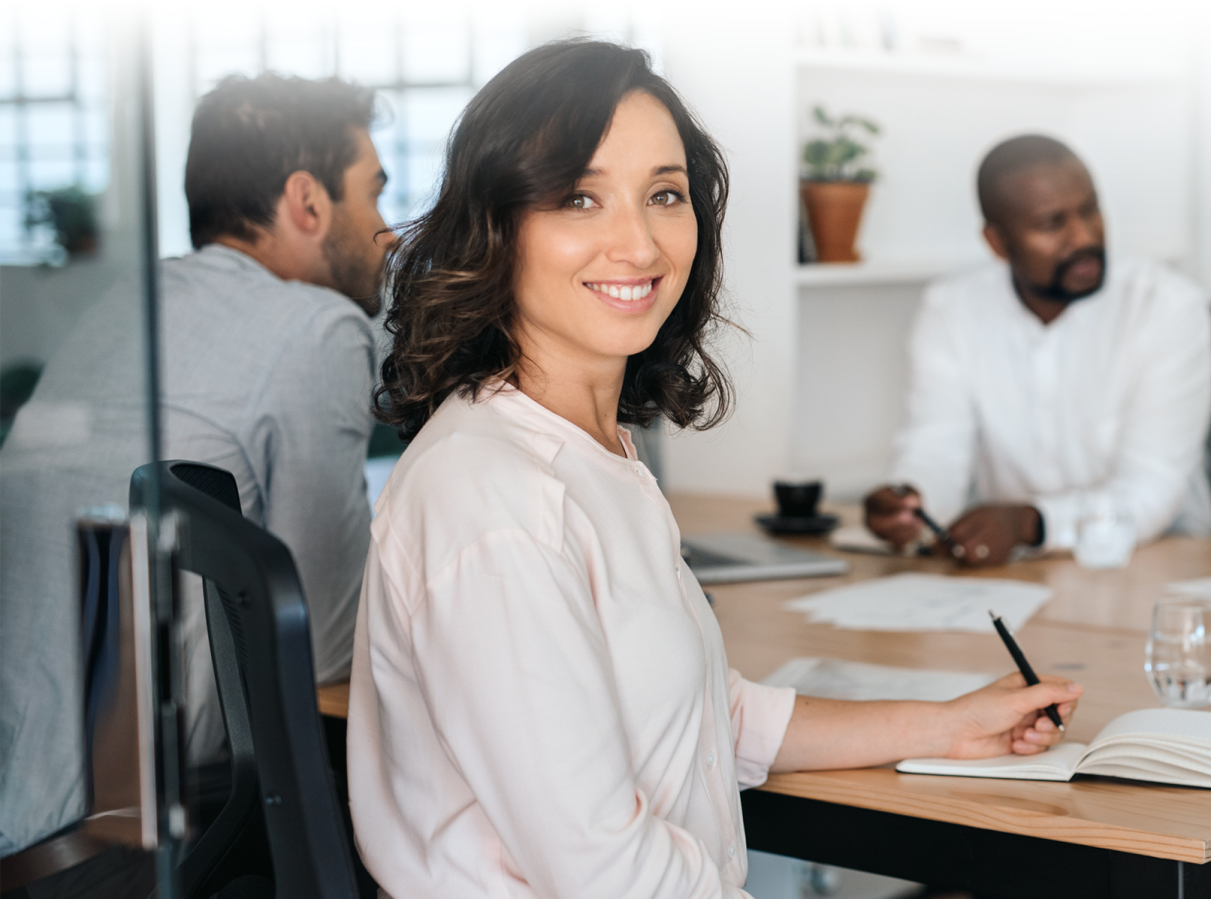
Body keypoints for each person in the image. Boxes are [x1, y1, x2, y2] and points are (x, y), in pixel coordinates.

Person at [349, 40, 1082, 898]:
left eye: (665, 193)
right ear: (497, 225)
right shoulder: (493, 498)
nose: (639, 241)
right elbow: (602, 870)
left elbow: (706, 719)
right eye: (580, 197)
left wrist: (951, 725)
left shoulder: (592, 452)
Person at [0, 73, 392, 856]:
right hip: (111, 835)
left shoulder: (132, 302)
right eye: (373, 195)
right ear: (307, 202)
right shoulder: (317, 327)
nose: (385, 228)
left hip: (27, 806)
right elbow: (327, 645)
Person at [863, 135, 1211, 566]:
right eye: (1053, 224)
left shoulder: (1165, 306)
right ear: (997, 242)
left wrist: (1031, 523)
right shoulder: (951, 309)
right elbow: (937, 445)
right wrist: (913, 501)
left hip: (1157, 562)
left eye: (1091, 210)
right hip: (1014, 571)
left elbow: (1152, 490)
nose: (1084, 237)